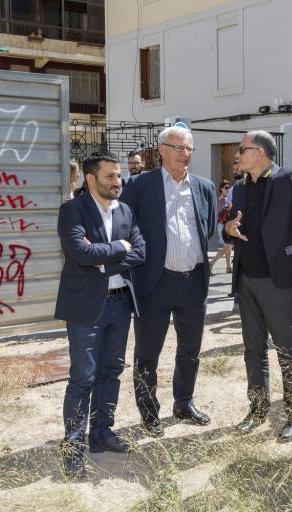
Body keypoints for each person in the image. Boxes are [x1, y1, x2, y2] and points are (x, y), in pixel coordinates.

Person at [224, 130, 292, 441]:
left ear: (259, 152)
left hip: (279, 281)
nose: (237, 155)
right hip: (247, 279)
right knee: (253, 349)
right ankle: (256, 409)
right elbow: (233, 225)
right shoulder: (240, 188)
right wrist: (229, 228)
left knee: (286, 349)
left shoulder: (287, 178)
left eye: (242, 149)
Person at [119, 126, 218, 437]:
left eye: (189, 149)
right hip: (155, 282)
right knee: (148, 352)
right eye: (178, 148)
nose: (184, 154)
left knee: (190, 349)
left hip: (193, 282)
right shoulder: (139, 185)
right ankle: (149, 413)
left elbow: (209, 226)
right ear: (161, 149)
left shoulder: (204, 187)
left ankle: (183, 403)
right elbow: (125, 226)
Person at [54, 152, 146, 478]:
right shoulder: (72, 211)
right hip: (85, 308)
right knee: (83, 379)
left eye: (119, 176)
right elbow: (80, 252)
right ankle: (73, 448)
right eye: (110, 176)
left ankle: (101, 434)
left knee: (112, 371)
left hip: (120, 304)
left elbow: (141, 251)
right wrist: (120, 249)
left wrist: (106, 259)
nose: (117, 182)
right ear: (91, 179)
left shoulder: (125, 210)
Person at [209, 179, 233, 273]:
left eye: (229, 188)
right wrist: (228, 208)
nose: (228, 190)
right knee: (227, 246)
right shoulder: (219, 200)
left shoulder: (229, 199)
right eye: (226, 188)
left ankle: (228, 267)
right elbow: (219, 213)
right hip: (222, 226)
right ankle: (211, 263)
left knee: (229, 246)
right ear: (221, 189)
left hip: (228, 225)